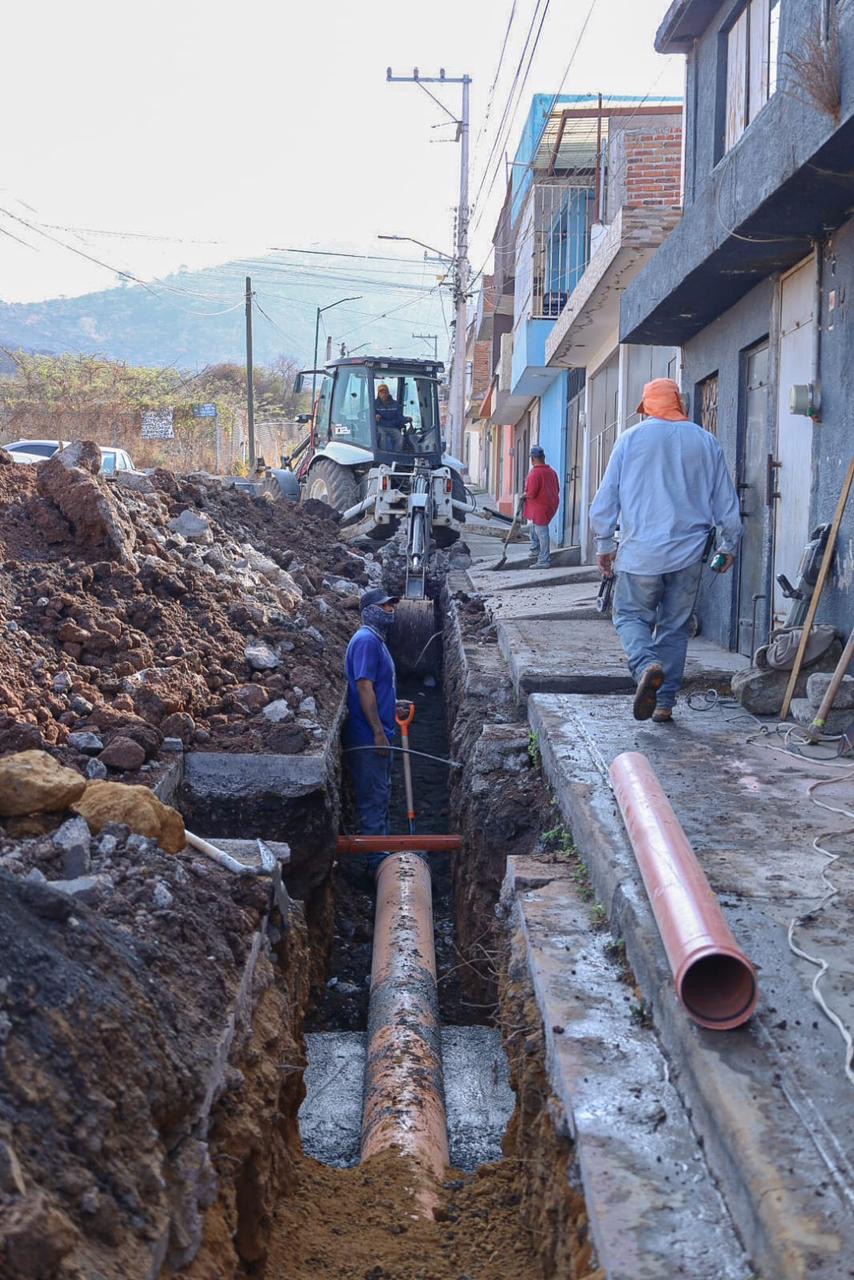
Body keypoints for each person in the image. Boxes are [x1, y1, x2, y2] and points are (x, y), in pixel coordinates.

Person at [589, 377, 742, 724]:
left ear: (646, 407)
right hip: (688, 556)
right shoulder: (707, 442)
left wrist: (603, 543)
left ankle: (646, 666)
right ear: (679, 403)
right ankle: (664, 702)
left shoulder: (629, 440)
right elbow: (725, 502)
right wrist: (729, 543)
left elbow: (606, 499)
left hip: (640, 554)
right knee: (674, 627)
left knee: (629, 617)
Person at [344, 587, 399, 849]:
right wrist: (377, 732)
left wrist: (394, 705)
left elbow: (376, 687)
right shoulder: (366, 641)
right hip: (369, 737)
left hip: (381, 731)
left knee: (381, 795)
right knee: (373, 801)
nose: (391, 609)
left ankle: (383, 852)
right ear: (369, 612)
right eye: (385, 606)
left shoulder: (375, 640)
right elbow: (364, 686)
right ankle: (376, 861)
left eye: (392, 605)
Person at [524, 445, 560, 568]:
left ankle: (544, 560)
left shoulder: (534, 473)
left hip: (539, 508)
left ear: (533, 459)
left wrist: (524, 495)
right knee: (533, 528)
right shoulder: (552, 472)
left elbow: (532, 493)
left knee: (542, 532)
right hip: (550, 505)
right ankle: (535, 550)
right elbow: (557, 489)